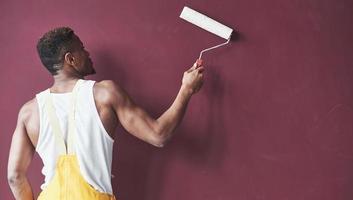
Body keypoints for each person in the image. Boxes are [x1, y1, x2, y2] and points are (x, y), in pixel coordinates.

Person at [7, 27, 204, 200]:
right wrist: (186, 89)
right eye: (82, 48)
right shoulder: (104, 94)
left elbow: (14, 177)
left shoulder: (29, 112)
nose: (87, 52)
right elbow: (158, 135)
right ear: (70, 59)